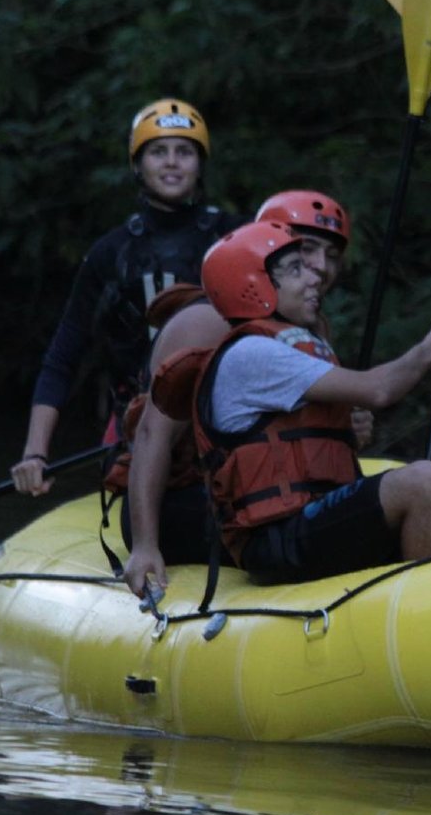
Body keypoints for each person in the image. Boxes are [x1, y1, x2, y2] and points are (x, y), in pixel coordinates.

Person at [186, 220, 431, 584]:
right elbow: (378, 390)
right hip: (276, 540)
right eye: (296, 269)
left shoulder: (295, 341)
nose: (314, 278)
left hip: (321, 518)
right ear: (253, 286)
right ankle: (428, 621)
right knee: (423, 480)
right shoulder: (252, 352)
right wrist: (427, 352)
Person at [119, 189, 375, 594]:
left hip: (261, 492)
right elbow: (153, 434)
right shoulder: (209, 320)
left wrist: (343, 429)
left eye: (332, 255)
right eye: (307, 250)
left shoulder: (308, 326)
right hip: (184, 501)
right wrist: (146, 545)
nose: (321, 268)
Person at [11, 98, 246, 497]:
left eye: (184, 152)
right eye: (158, 151)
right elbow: (63, 357)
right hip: (134, 424)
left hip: (221, 420)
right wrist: (36, 452)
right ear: (138, 165)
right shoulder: (110, 253)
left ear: (200, 164)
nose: (172, 162)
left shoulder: (234, 238)